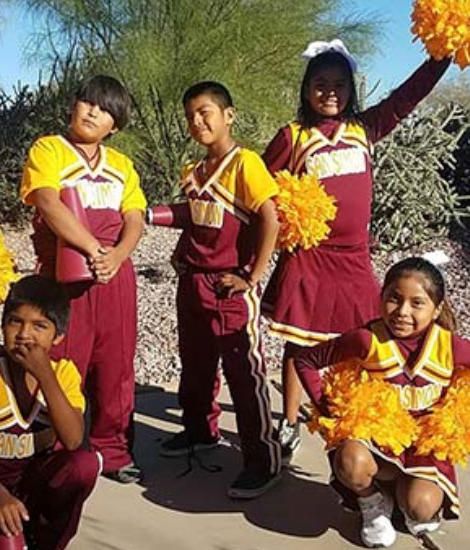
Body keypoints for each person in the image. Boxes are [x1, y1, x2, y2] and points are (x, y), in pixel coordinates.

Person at [261, 39, 451, 457]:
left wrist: (444, 54)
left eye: (339, 84)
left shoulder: (365, 129)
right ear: (306, 88)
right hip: (310, 259)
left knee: (368, 339)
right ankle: (290, 421)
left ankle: (369, 416)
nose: (330, 92)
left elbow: (408, 97)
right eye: (320, 83)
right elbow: (257, 190)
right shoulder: (292, 138)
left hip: (354, 259)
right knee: (301, 344)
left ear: (351, 89)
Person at [157, 81, 284, 499]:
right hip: (192, 281)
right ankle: (199, 432)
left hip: (229, 284)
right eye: (191, 115)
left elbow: (269, 217)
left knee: (244, 373)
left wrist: (252, 274)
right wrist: (167, 235)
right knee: (194, 365)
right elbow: (194, 217)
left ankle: (262, 460)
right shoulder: (193, 171)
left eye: (206, 112)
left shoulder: (244, 163)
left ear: (228, 115)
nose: (198, 121)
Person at [19, 75, 146, 484]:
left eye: (105, 108)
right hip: (66, 272)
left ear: (116, 123)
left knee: (115, 364)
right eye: (87, 102)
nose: (93, 112)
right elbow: (47, 202)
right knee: (62, 360)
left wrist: (119, 255)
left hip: (114, 274)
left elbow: (135, 217)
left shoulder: (121, 165)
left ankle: (113, 448)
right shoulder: (50, 149)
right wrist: (93, 249)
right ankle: (60, 445)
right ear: (74, 106)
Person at [294, 257, 470, 547]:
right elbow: (306, 360)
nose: (402, 312)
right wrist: (329, 414)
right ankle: (371, 501)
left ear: (437, 309)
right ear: (381, 298)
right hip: (376, 443)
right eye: (394, 299)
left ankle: (403, 494)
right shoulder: (367, 340)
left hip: (424, 446)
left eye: (417, 303)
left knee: (420, 509)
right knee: (351, 462)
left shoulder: (450, 347)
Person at [0, 275, 99, 550]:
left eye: (39, 326)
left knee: (83, 465)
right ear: (3, 324)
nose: (24, 334)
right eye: (15, 321)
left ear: (58, 336)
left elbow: (74, 439)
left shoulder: (62, 373)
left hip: (32, 483)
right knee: (8, 542)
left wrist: (43, 374)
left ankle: (45, 541)